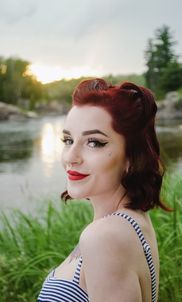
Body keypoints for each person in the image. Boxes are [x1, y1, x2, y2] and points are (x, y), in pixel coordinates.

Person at [38, 78, 168, 302]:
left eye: (94, 143)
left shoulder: (104, 237)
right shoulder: (130, 221)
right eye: (68, 140)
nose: (70, 157)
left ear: (131, 157)